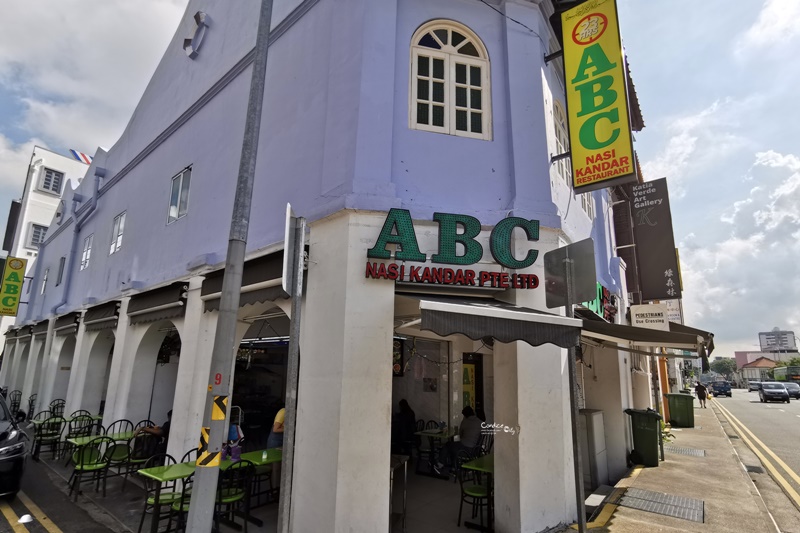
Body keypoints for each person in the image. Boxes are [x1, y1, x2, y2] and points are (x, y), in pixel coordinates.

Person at [434, 406, 482, 474]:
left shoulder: (465, 421)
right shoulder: (480, 422)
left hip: (465, 450)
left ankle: (440, 464)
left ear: (465, 415)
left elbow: (460, 434)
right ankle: (454, 468)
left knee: (449, 445)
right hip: (475, 450)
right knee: (454, 447)